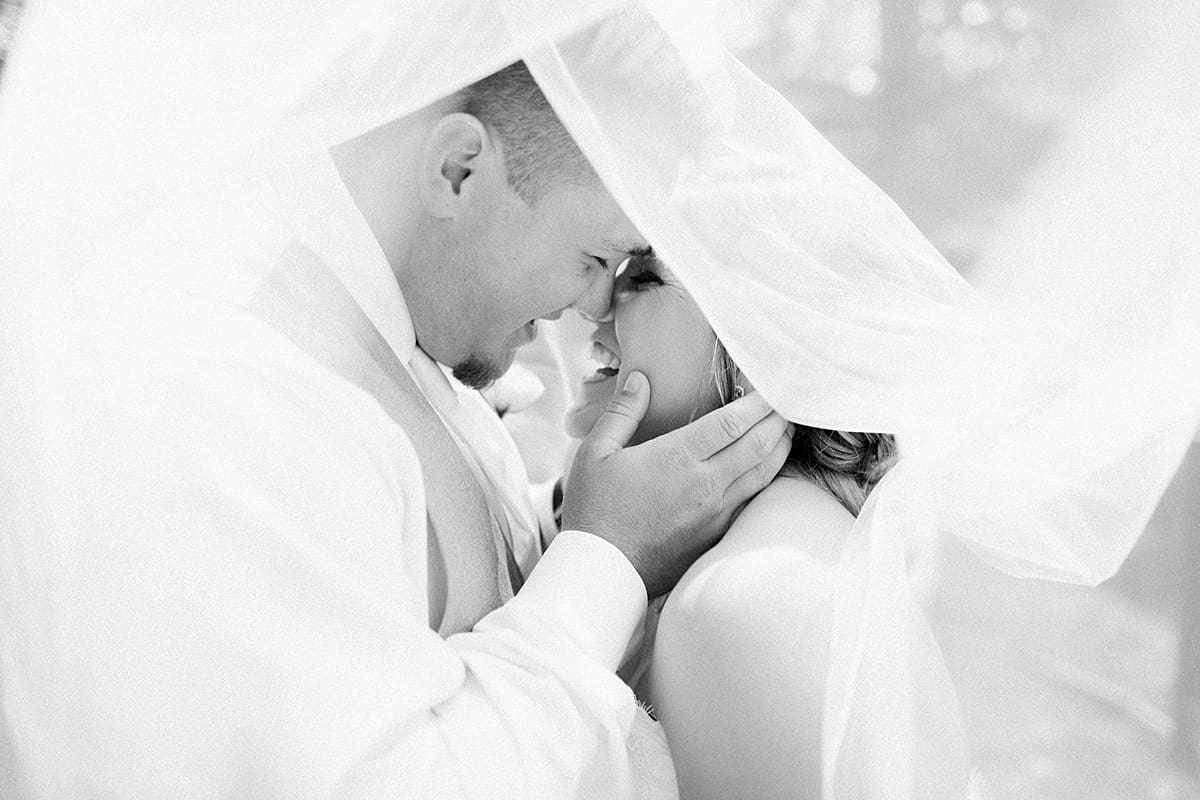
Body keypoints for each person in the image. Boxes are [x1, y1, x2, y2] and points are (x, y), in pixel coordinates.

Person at [0, 50, 793, 800]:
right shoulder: (229, 386)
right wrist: (608, 558)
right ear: (459, 171)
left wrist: (587, 519)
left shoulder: (395, 337)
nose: (593, 306)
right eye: (592, 257)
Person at [565, 255, 973, 798]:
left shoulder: (751, 595)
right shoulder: (781, 543)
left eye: (643, 278)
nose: (590, 307)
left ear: (755, 352)